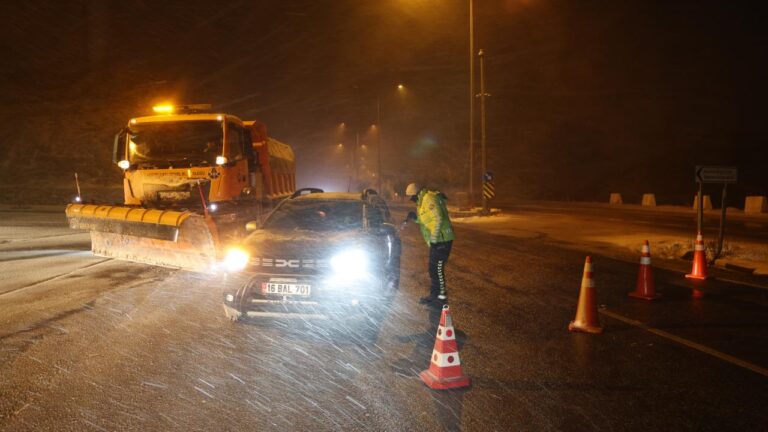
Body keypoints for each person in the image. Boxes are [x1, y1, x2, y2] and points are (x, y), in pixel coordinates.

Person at [405, 182, 455, 306]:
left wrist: (433, 240)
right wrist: (415, 218)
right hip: (437, 240)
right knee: (432, 270)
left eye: (412, 197)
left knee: (437, 269)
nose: (411, 200)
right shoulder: (421, 202)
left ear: (416, 194)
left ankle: (441, 297)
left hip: (442, 240)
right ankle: (434, 296)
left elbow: (438, 219)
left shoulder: (429, 198)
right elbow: (425, 222)